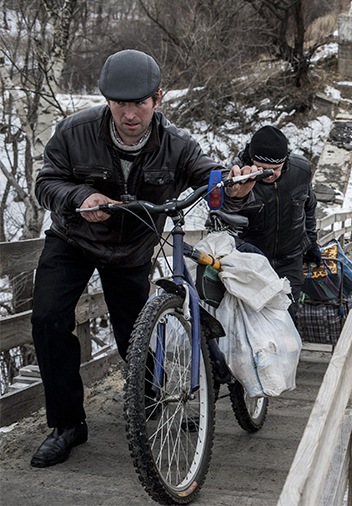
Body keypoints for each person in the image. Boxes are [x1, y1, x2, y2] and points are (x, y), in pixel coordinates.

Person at [30, 49, 256, 468]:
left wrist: (233, 186)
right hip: (73, 238)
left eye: (140, 103)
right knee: (47, 318)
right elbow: (46, 182)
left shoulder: (177, 145)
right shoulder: (74, 131)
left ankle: (150, 399)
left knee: (131, 335)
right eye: (120, 103)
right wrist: (80, 196)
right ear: (107, 100)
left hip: (131, 248)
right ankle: (67, 425)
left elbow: (210, 175)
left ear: (159, 98)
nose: (129, 114)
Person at [231, 125, 319, 325]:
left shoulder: (301, 170)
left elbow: (309, 206)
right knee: (255, 320)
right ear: (252, 161)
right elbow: (223, 217)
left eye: (275, 170)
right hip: (252, 264)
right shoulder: (237, 177)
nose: (269, 175)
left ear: (285, 161)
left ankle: (289, 356)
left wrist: (312, 243)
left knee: (288, 317)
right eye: (261, 170)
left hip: (290, 259)